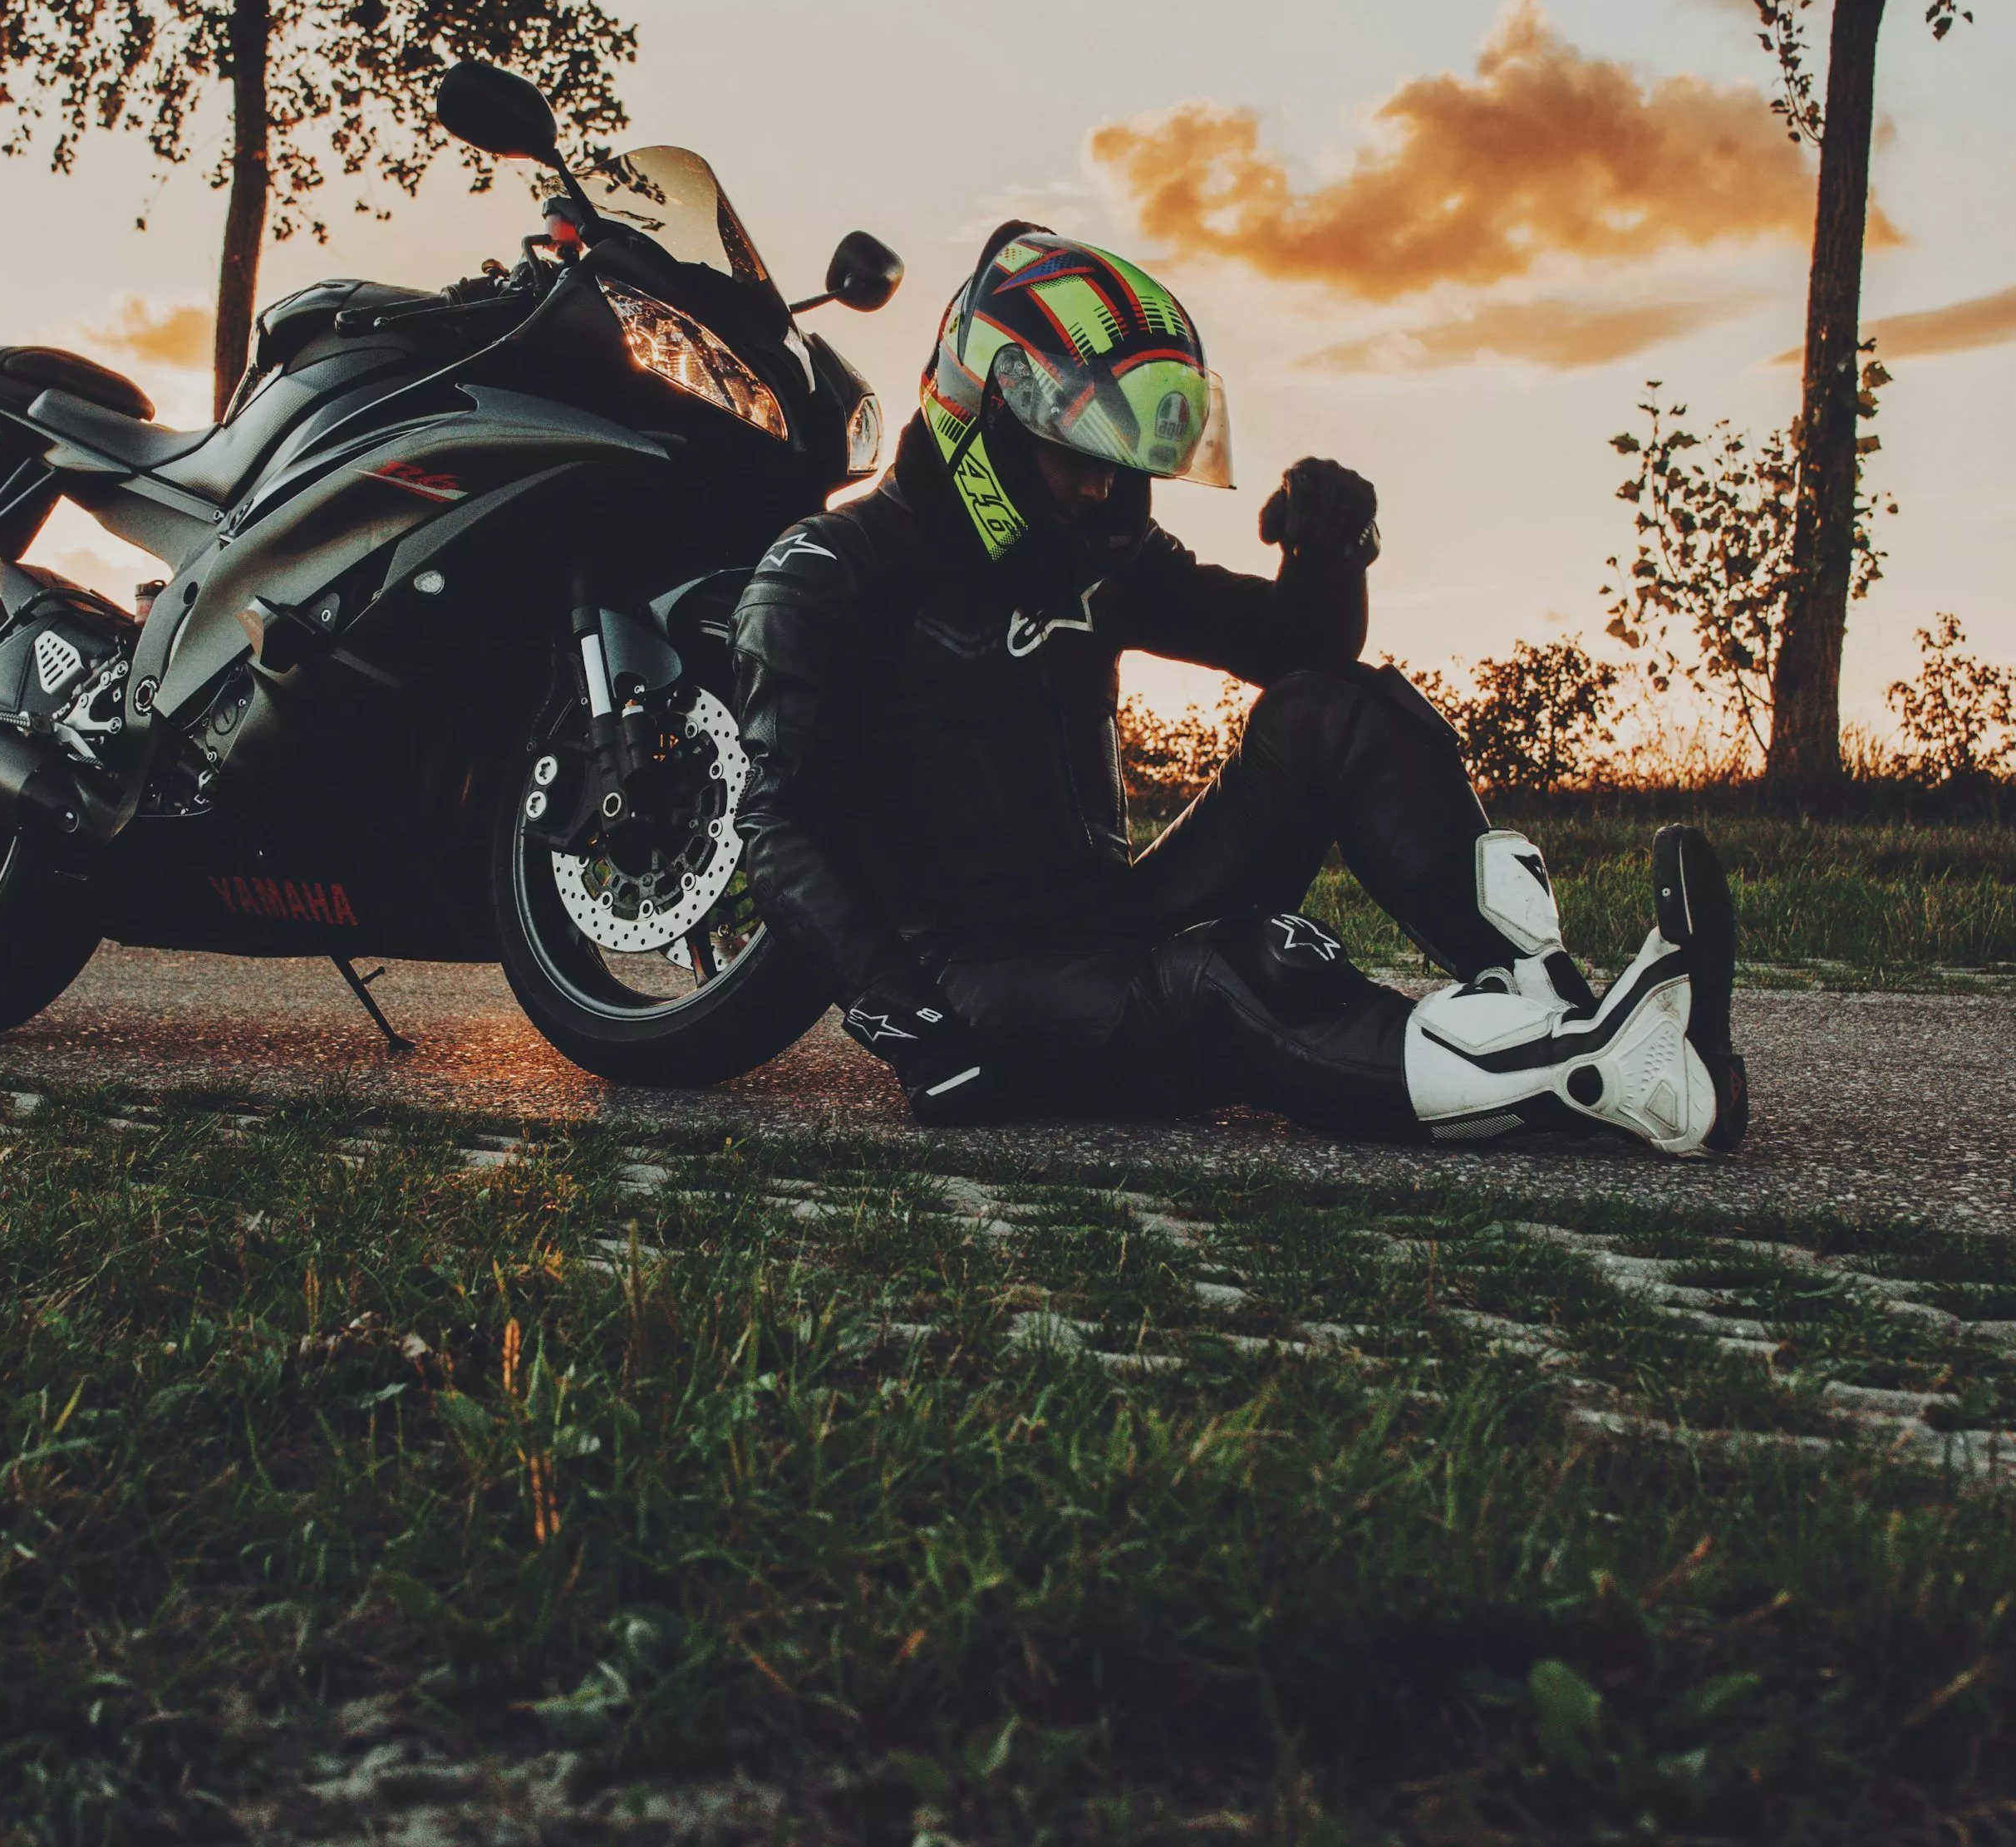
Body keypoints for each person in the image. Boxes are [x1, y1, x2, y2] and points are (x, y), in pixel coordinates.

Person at [732, 223, 1747, 1152]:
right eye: (1075, 456)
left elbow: (1300, 649)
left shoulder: (1096, 555)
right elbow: (778, 827)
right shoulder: (831, 569)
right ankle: (1597, 1075)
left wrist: (1331, 547)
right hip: (980, 980)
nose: (1102, 488)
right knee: (1242, 972)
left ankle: (1556, 1000)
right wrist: (912, 1030)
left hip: (1103, 917)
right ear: (984, 408)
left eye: (1120, 463)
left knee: (1337, 712)